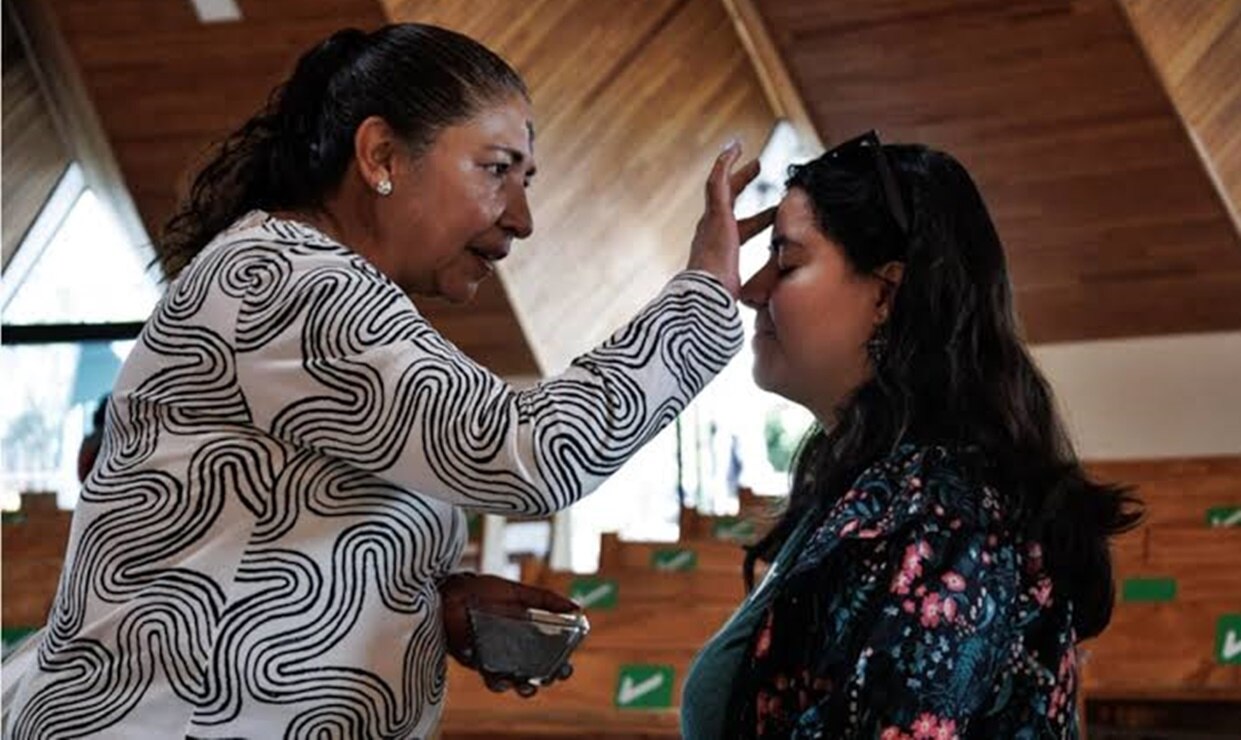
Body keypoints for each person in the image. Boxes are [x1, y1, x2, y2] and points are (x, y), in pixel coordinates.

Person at [2, 24, 772, 739]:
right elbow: (529, 450)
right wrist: (704, 289)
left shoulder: (314, 283)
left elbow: (267, 533)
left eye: (527, 178)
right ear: (381, 157)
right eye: (496, 170)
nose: (523, 217)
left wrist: (424, 600)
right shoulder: (285, 280)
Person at [680, 131, 1142, 739]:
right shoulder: (869, 487)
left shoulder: (950, 517)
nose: (751, 289)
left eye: (787, 262)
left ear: (885, 295)